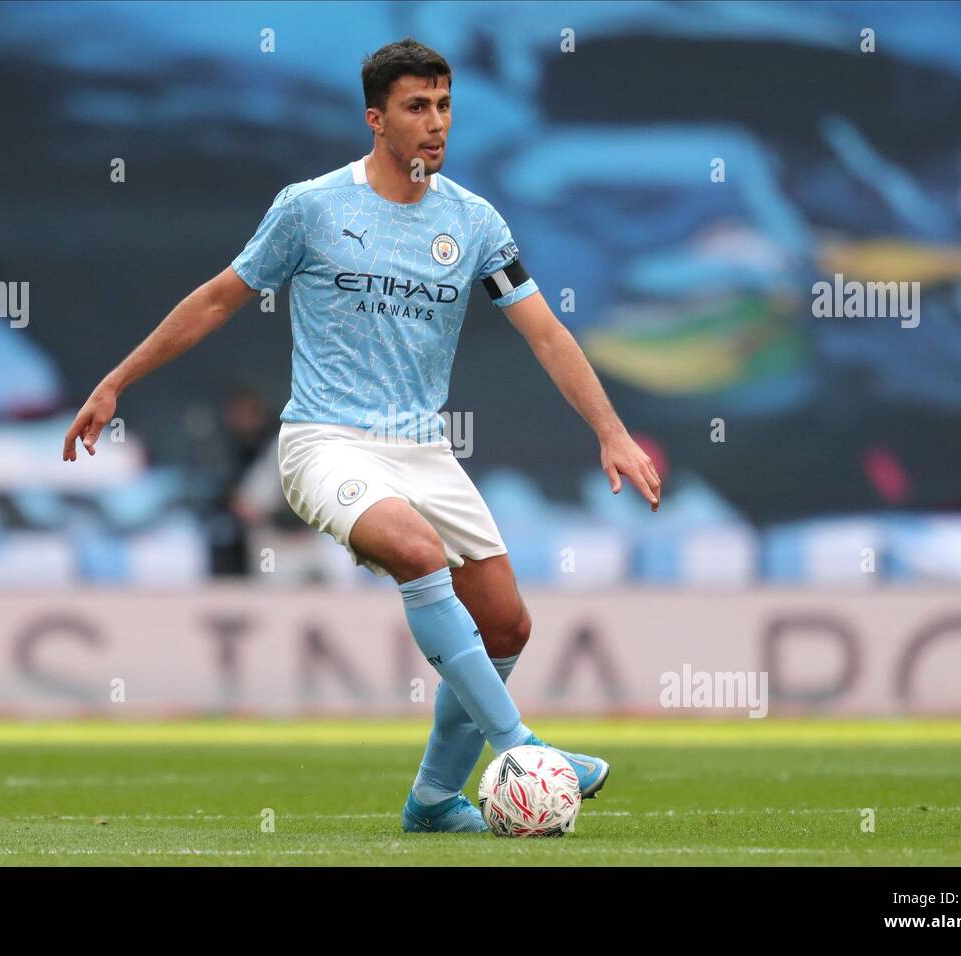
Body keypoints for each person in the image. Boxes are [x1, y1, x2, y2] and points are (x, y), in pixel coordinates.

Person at [63, 38, 661, 833]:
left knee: (509, 626)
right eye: (418, 107)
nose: (436, 124)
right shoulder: (310, 207)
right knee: (415, 552)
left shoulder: (475, 221)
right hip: (326, 441)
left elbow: (546, 333)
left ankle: (434, 802)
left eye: (445, 106)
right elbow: (215, 300)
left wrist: (612, 432)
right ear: (376, 118)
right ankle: (522, 746)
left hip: (425, 451)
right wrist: (116, 381)